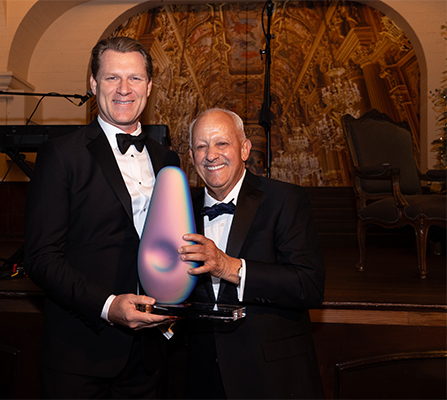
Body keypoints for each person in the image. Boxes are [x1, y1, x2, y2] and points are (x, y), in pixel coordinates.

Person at [24, 37, 180, 398]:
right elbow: (40, 258)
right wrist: (109, 307)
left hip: (151, 355)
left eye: (135, 79)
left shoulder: (168, 160)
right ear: (93, 85)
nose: (124, 89)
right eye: (112, 78)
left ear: (149, 86)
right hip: (80, 355)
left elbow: (172, 245)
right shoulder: (61, 155)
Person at [177, 108, 326, 399]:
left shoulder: (286, 200)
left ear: (244, 149)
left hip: (272, 377)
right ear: (192, 156)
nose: (211, 155)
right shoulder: (178, 209)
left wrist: (228, 266)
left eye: (222, 143)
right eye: (201, 146)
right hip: (198, 376)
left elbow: (308, 286)